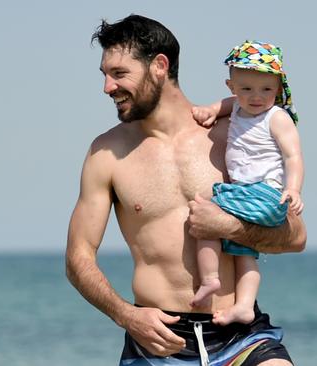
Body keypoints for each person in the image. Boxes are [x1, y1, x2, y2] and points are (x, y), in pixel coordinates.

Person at [65, 15, 306, 366]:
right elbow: (78, 258)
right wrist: (125, 315)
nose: (107, 87)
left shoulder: (232, 135)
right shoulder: (105, 154)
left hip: (241, 337)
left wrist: (228, 228)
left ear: (159, 66)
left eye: (119, 73)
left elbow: (295, 236)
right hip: (156, 343)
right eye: (104, 75)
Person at [189, 40, 304, 327]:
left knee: (206, 215)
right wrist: (211, 110)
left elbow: (293, 156)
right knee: (244, 254)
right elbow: (223, 105)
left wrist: (293, 189)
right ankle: (244, 307)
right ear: (232, 87)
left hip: (264, 192)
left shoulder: (276, 117)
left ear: (278, 88)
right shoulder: (237, 108)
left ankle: (210, 279)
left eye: (266, 89)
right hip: (246, 194)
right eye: (247, 89)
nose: (256, 97)